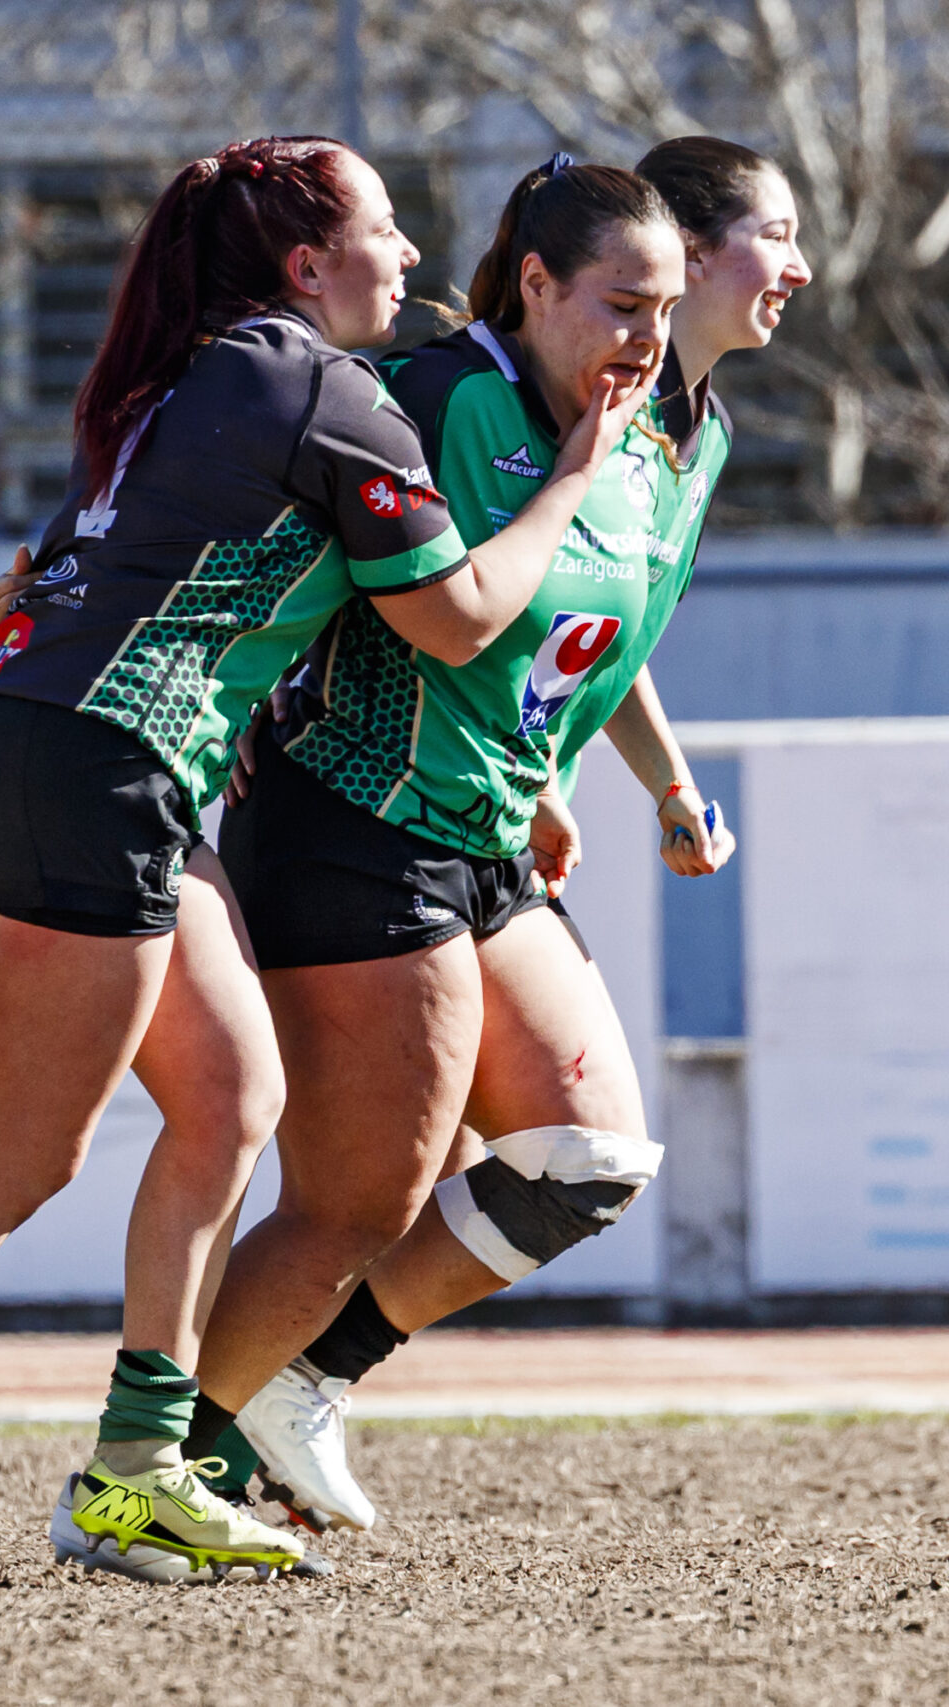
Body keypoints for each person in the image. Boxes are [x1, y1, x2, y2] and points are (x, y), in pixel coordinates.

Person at [0, 135, 641, 1592]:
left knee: (230, 1095)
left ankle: (144, 1465)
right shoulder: (322, 388)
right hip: (102, 767)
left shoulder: (192, 378)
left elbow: (46, 576)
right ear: (305, 265)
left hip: (54, 746)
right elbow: (461, 619)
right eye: (385, 230)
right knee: (19, 1158)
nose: (408, 259)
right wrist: (572, 476)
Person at [221, 138, 808, 1533]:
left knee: (588, 1158)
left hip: (483, 839)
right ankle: (158, 1460)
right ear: (559, 283)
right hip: (356, 820)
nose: (793, 268)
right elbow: (346, 566)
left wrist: (651, 780)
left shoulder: (687, 433)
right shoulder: (448, 395)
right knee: (357, 1201)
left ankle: (296, 1387)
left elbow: (590, 629)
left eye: (662, 306)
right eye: (770, 237)